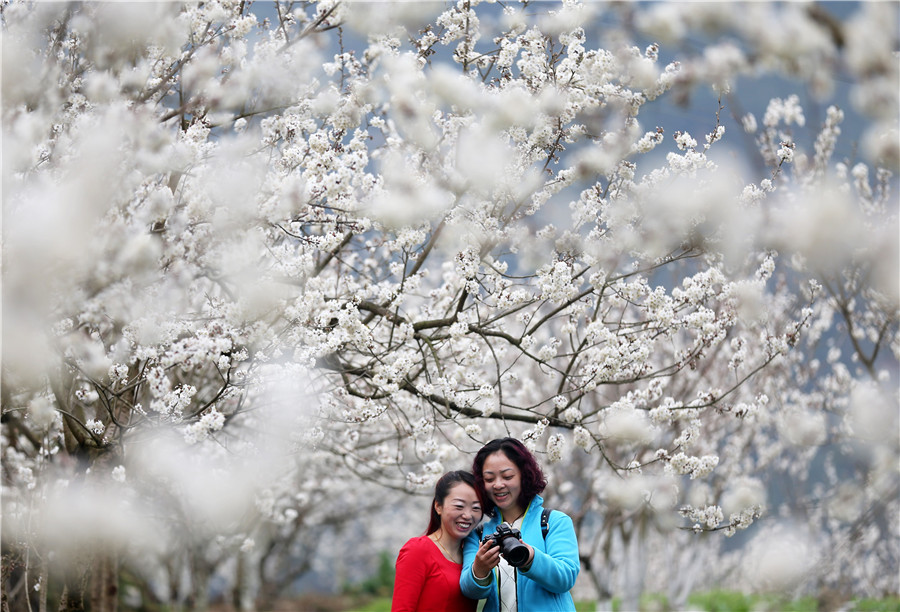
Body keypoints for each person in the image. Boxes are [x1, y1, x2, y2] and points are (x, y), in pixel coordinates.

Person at [460, 438, 580, 612]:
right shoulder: (478, 534)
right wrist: (479, 569)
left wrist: (530, 558)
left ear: (524, 475)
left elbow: (565, 579)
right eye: (489, 479)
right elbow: (470, 590)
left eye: (507, 476)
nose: (498, 485)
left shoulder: (553, 522)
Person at [392, 470, 484, 612]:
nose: (467, 515)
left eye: (476, 508)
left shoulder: (473, 557)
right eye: (459, 506)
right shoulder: (418, 550)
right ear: (438, 506)